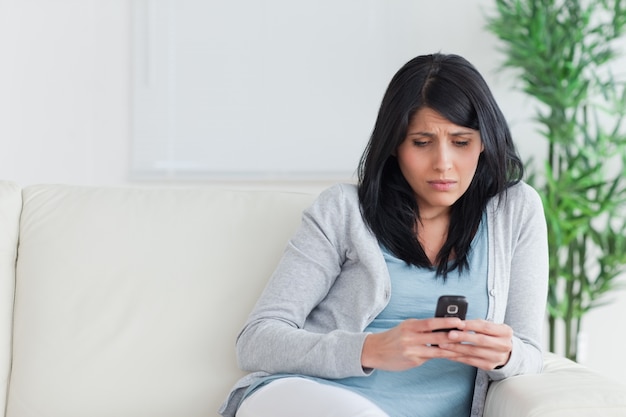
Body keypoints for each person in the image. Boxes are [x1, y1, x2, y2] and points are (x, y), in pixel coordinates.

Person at [219, 53, 549, 417]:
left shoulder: (515, 211)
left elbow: (530, 352)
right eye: (422, 142)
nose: (443, 163)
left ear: (484, 142)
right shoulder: (343, 210)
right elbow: (256, 340)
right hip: (307, 400)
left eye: (461, 142)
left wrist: (506, 355)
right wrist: (370, 349)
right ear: (394, 145)